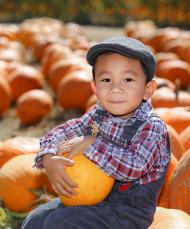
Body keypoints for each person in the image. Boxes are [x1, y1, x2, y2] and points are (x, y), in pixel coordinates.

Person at [22, 36, 170, 229]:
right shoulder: (98, 115)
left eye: (128, 79)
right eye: (106, 79)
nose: (116, 88)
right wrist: (48, 156)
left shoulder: (152, 127)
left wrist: (93, 143)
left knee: (59, 223)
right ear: (95, 88)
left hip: (127, 213)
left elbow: (135, 166)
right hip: (90, 198)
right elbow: (63, 131)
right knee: (36, 219)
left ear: (147, 90)